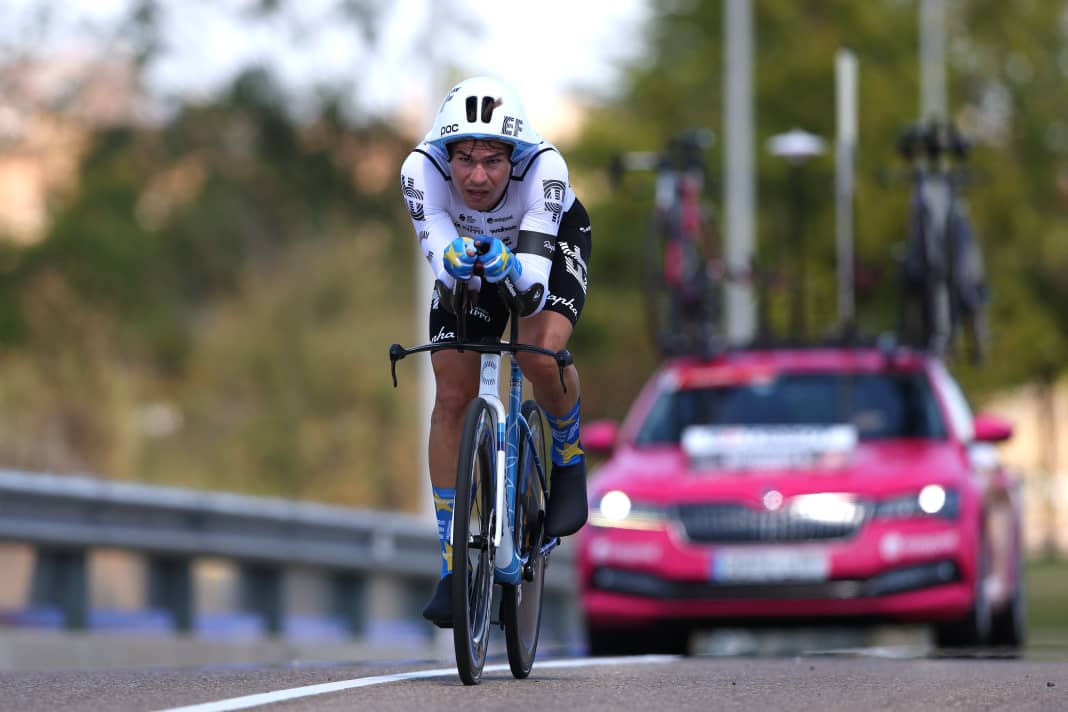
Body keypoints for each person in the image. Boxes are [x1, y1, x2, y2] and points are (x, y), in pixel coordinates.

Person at [399, 76, 591, 627]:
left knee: (537, 353)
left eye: (492, 160)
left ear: (517, 156)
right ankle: (452, 563)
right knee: (452, 394)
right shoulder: (419, 172)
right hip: (470, 256)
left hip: (544, 247)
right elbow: (441, 261)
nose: (477, 176)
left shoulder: (546, 171)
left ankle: (567, 457)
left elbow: (530, 286)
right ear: (444, 155)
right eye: (464, 159)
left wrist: (509, 268)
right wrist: (457, 263)